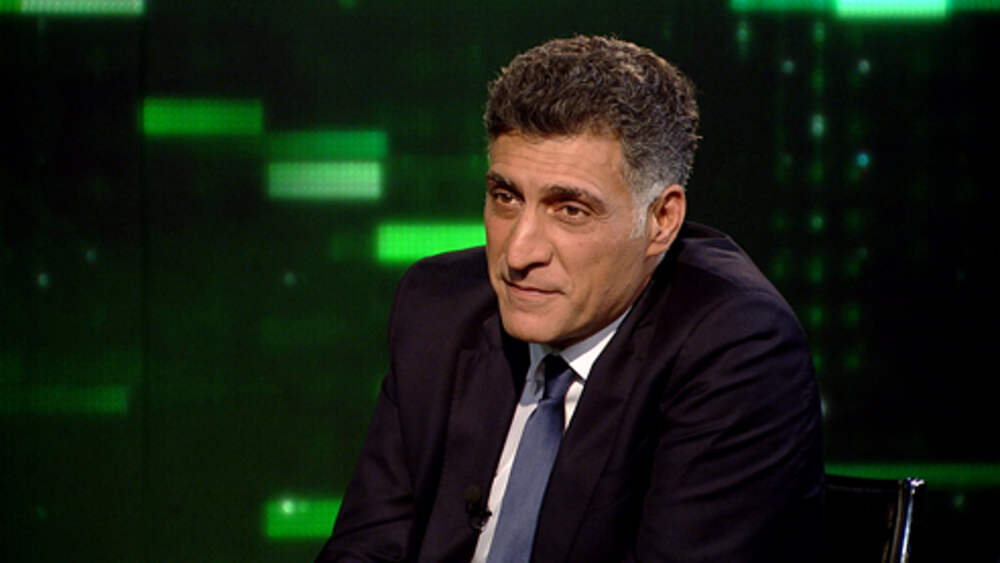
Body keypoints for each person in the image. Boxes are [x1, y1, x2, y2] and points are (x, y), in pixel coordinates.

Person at [316, 35, 823, 562]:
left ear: (661, 220)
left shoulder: (736, 348)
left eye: (570, 210)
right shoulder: (440, 308)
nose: (518, 253)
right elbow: (366, 549)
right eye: (506, 198)